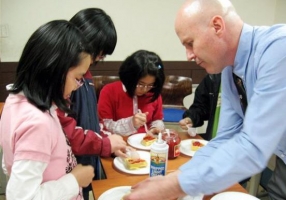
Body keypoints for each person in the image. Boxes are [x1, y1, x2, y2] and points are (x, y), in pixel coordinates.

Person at [124, 0, 286, 199]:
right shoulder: (229, 71)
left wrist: (175, 185)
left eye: (190, 43)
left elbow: (253, 146)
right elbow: (224, 139)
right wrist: (178, 177)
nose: (188, 55)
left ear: (217, 26)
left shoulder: (283, 48)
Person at [0, 20, 95, 200]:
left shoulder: (16, 101)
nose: (77, 86)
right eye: (78, 77)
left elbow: (10, 163)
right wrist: (74, 180)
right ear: (55, 70)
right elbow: (21, 197)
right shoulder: (37, 122)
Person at [56, 8, 127, 200]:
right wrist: (104, 144)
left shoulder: (85, 75)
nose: (100, 58)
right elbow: (67, 131)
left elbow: (91, 120)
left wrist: (107, 139)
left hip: (88, 160)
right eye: (100, 53)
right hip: (71, 169)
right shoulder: (65, 80)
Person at [98, 50, 165, 136]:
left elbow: (157, 119)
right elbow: (105, 126)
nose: (145, 89)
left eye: (150, 85)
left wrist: (155, 128)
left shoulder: (153, 93)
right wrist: (131, 123)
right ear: (129, 78)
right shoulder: (109, 91)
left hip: (146, 143)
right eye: (140, 84)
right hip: (118, 144)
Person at [179, 73, 221, 140]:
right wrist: (191, 118)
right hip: (213, 140)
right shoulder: (212, 78)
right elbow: (201, 107)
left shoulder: (240, 79)